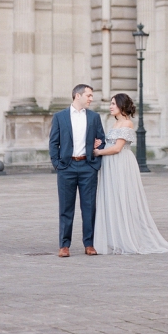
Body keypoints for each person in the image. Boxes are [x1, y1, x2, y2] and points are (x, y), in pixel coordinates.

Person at [93, 93, 168, 255]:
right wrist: (99, 144)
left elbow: (117, 148)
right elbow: (110, 143)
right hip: (111, 163)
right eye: (110, 103)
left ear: (122, 106)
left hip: (121, 162)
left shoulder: (127, 123)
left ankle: (127, 238)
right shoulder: (116, 123)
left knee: (123, 198)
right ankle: (116, 238)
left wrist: (98, 152)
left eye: (113, 104)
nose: (110, 106)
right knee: (113, 198)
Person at [48, 84, 106, 258]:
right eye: (88, 95)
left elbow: (101, 139)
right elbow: (53, 143)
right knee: (66, 208)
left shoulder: (94, 117)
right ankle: (64, 245)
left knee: (89, 207)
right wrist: (57, 164)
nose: (91, 98)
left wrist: (96, 158)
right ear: (77, 96)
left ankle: (89, 244)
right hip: (67, 167)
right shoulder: (60, 117)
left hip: (88, 167)